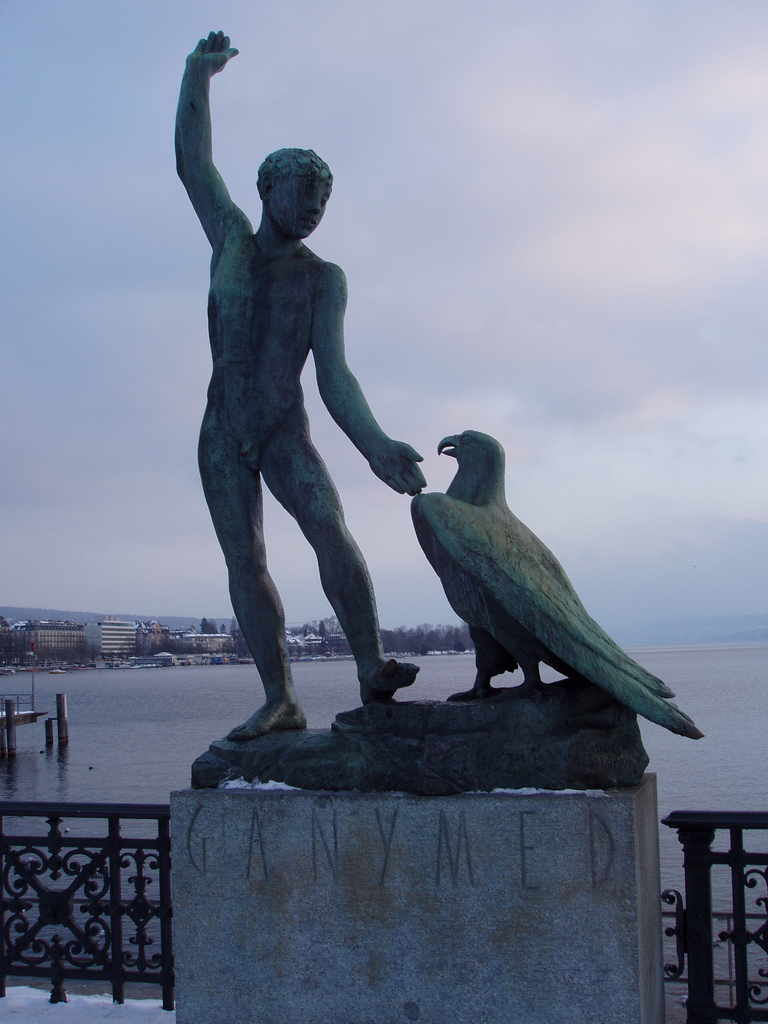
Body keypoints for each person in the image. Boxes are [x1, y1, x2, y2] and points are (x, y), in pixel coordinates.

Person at [176, 32, 426, 739]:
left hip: (284, 427)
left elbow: (335, 374)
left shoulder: (322, 278)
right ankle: (279, 696)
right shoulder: (229, 240)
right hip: (222, 429)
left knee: (327, 526)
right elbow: (192, 162)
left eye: (324, 197)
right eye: (304, 191)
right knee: (245, 561)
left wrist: (375, 445)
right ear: (268, 188)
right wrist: (198, 77)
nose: (315, 204)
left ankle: (372, 663)